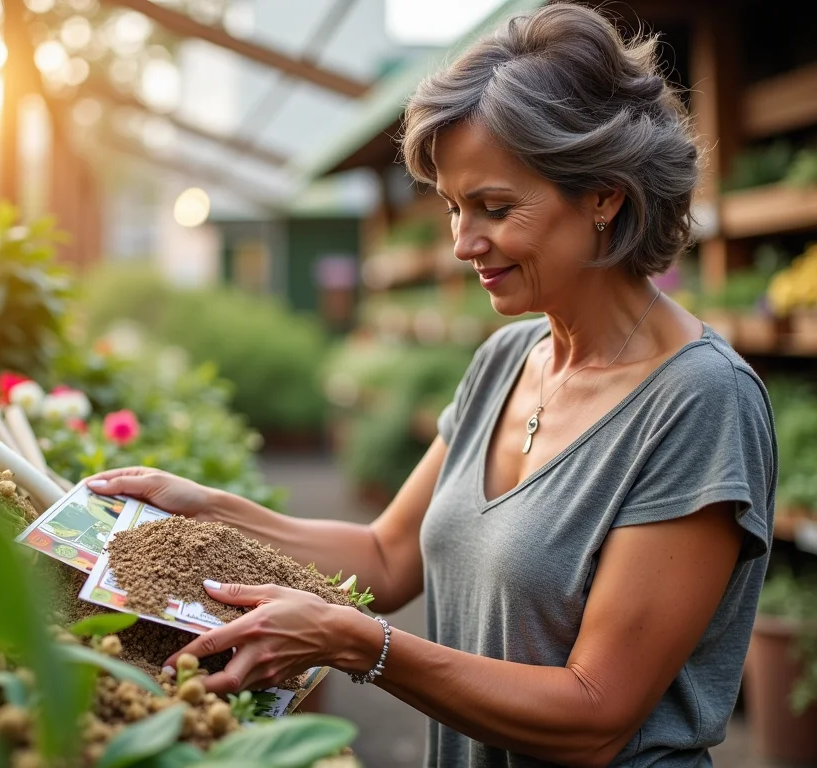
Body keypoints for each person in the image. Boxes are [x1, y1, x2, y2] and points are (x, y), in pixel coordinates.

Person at [87, 4, 776, 766]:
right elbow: (386, 556)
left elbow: (596, 715)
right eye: (452, 207)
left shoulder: (701, 403)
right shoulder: (507, 360)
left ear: (604, 196)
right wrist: (209, 512)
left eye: (494, 208)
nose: (461, 243)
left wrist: (365, 646)